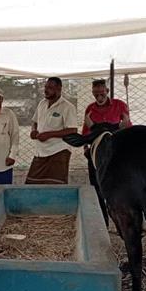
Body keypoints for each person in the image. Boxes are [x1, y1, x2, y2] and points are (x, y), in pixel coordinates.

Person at [81, 78, 132, 226]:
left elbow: (127, 126)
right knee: (96, 187)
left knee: (119, 187)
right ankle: (103, 222)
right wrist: (85, 148)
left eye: (101, 92)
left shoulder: (120, 105)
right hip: (96, 154)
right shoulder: (90, 109)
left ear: (107, 91)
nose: (98, 96)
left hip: (117, 154)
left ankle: (121, 219)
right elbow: (86, 131)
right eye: (95, 93)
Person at [25, 77, 77, 185]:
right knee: (32, 184)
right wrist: (33, 131)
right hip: (40, 151)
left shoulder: (68, 107)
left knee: (56, 187)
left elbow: (72, 130)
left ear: (59, 89)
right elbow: (35, 121)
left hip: (59, 151)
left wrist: (49, 134)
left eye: (50, 87)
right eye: (45, 87)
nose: (46, 90)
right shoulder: (42, 104)